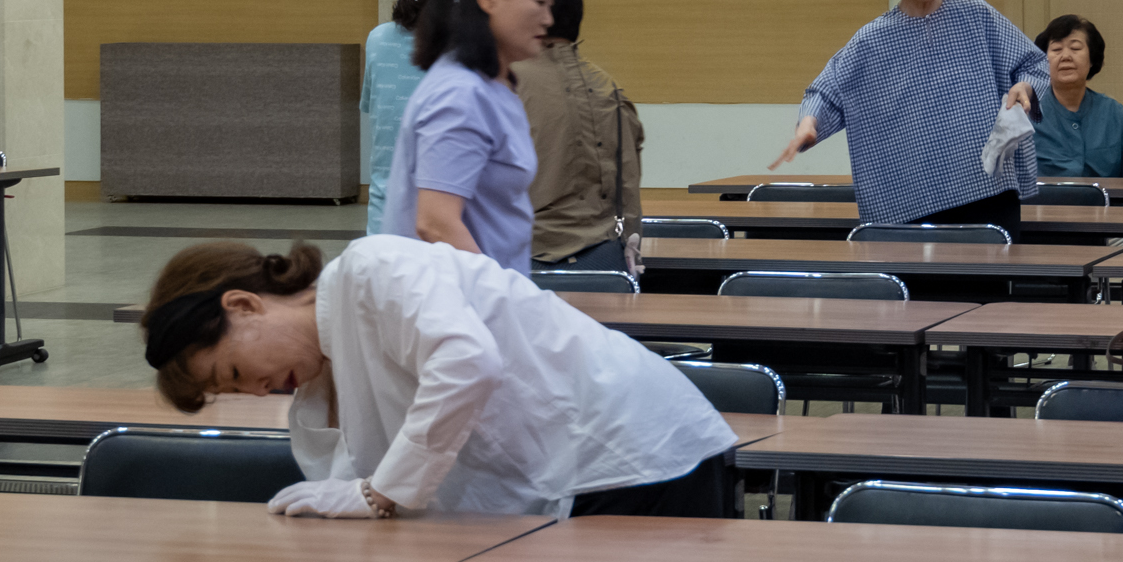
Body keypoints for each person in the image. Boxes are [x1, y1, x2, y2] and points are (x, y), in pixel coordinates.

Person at [142, 233, 733, 518]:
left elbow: (467, 363)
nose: (256, 390)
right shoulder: (325, 370)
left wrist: (379, 493)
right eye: (235, 391)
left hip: (637, 452)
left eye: (235, 371)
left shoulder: (372, 269)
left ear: (244, 305)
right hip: (582, 469)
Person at [760, 0, 1047, 229]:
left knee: (990, 262)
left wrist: (1024, 86)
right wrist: (808, 124)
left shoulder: (976, 16)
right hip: (906, 197)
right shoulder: (871, 40)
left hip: (986, 188)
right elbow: (826, 92)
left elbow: (1033, 63)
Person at [381, 0, 554, 271]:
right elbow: (436, 224)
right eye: (539, 2)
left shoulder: (490, 85)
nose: (548, 19)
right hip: (460, 297)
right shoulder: (460, 94)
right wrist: (506, 294)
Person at [518, 0, 644, 272]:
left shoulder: (504, 84)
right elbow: (629, 190)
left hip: (524, 261)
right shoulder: (610, 88)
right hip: (607, 263)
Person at [361, 0, 471, 234]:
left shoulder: (378, 39)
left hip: (385, 227)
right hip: (456, 230)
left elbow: (372, 110)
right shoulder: (478, 50)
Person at [1029, 13, 1123, 178]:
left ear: (1092, 59)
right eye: (1056, 49)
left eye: (1075, 48)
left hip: (1105, 196)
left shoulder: (1111, 111)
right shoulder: (1027, 111)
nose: (1065, 57)